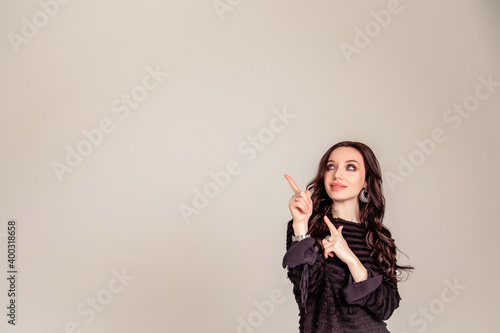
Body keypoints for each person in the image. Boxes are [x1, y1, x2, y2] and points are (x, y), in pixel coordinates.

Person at [282, 141, 413, 333]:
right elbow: (306, 291)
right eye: (331, 166)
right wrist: (301, 225)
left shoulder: (378, 236)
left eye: (350, 167)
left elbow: (387, 306)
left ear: (366, 180)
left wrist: (350, 258)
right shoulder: (309, 228)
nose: (337, 175)